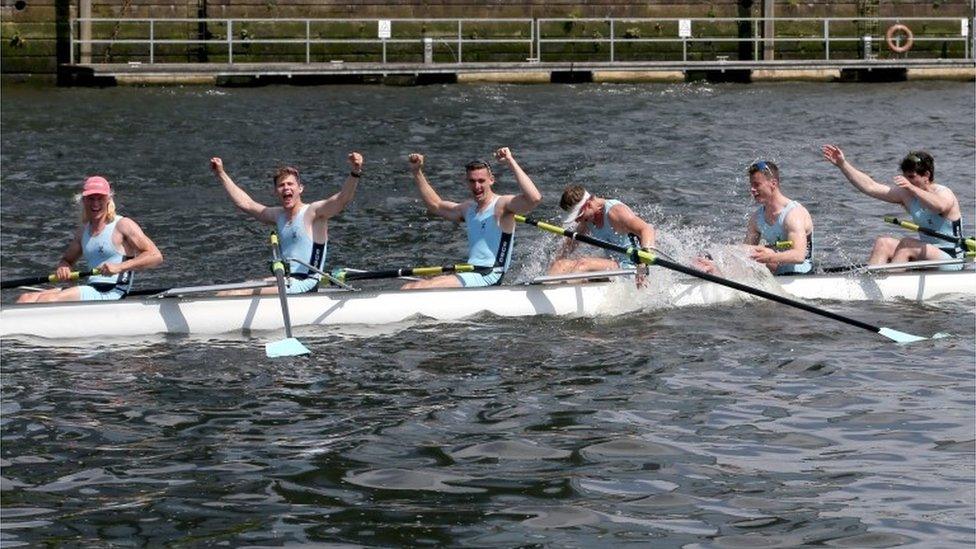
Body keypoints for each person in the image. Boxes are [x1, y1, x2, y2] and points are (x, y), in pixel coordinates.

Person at [210, 152, 364, 294]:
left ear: (300, 189)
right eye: (281, 185)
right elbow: (246, 204)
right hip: (287, 280)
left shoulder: (314, 212)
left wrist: (355, 172)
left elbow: (342, 199)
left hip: (306, 283)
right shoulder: (278, 215)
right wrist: (221, 174)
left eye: (290, 184)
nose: (286, 188)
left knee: (239, 293)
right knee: (229, 290)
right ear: (276, 191)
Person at [402, 147, 542, 289]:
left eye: (481, 181)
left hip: (490, 274)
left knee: (418, 288)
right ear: (466, 182)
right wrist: (416, 171)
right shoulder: (468, 209)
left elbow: (534, 198)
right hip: (470, 272)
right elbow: (435, 205)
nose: (477, 186)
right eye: (472, 181)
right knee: (409, 286)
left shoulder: (502, 205)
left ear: (491, 180)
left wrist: (510, 161)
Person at [17, 176, 163, 303]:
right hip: (93, 288)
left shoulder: (123, 225)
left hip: (113, 292)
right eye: (91, 199)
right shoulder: (83, 232)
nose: (95, 204)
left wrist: (120, 267)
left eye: (100, 198)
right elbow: (67, 260)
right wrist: (64, 268)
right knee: (26, 298)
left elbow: (155, 256)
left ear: (108, 199)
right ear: (83, 201)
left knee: (47, 300)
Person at [822, 145, 964, 269]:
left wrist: (911, 188)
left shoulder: (943, 192)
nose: (907, 181)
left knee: (907, 244)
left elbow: (939, 206)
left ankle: (890, 283)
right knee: (883, 243)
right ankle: (871, 284)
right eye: (905, 177)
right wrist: (843, 164)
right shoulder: (907, 195)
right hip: (926, 254)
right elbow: (871, 187)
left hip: (951, 258)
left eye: (911, 177)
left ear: (926, 175)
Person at [696, 161, 814, 276]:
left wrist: (770, 256)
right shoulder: (756, 218)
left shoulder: (794, 214)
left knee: (762, 252)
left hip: (801, 275)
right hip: (776, 271)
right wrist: (722, 254)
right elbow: (746, 253)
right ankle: (710, 268)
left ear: (773, 183)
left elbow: (799, 255)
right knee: (742, 251)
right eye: (751, 185)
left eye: (756, 184)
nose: (752, 189)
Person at [547, 185, 656, 284]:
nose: (577, 220)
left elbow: (647, 229)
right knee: (560, 265)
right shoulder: (588, 219)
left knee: (583, 264)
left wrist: (641, 269)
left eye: (578, 215)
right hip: (614, 265)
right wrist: (557, 259)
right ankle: (544, 291)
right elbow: (571, 243)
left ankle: (567, 295)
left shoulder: (616, 212)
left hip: (631, 268)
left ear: (588, 204)